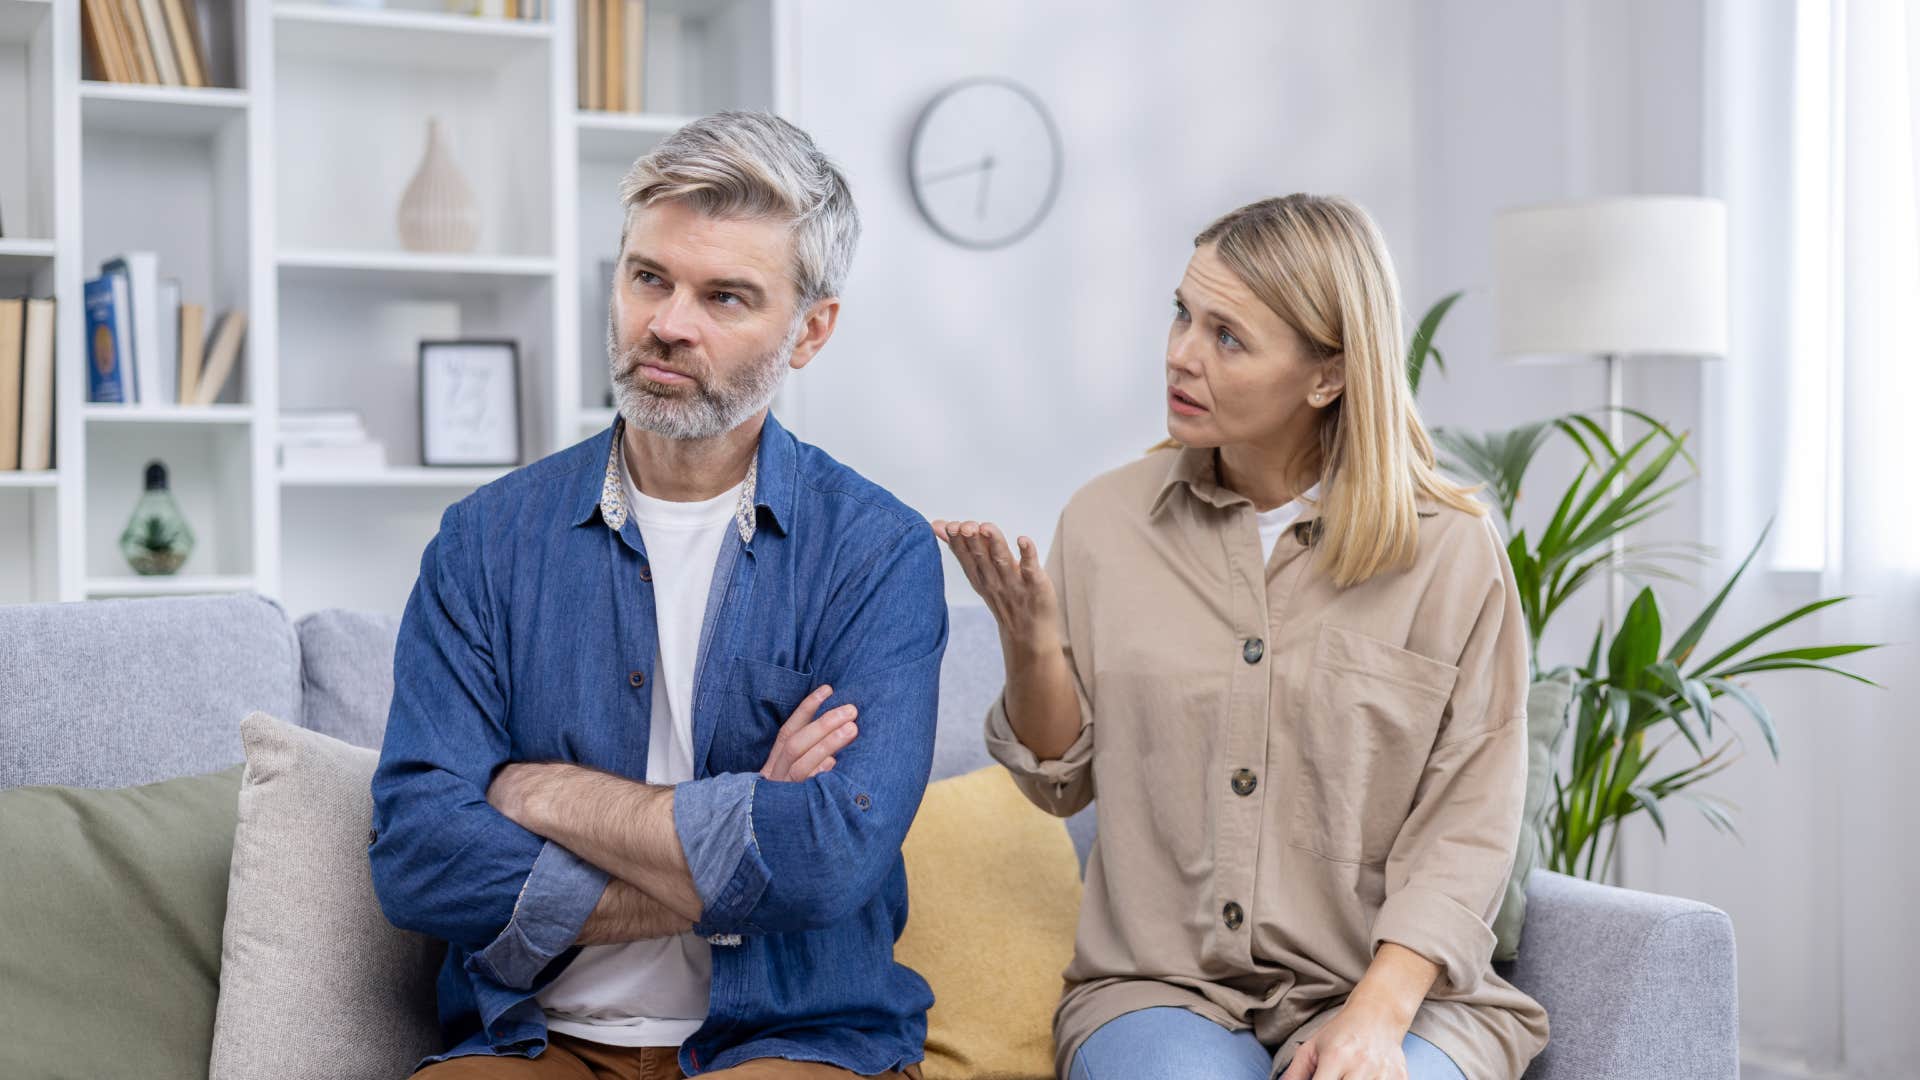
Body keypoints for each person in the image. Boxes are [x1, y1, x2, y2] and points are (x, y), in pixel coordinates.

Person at [369, 111, 944, 1079]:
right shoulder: (483, 543)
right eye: (649, 279)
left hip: (795, 1042)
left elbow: (828, 859)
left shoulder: (877, 554)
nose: (668, 323)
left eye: (725, 297)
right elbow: (420, 853)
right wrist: (742, 825)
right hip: (535, 1040)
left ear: (811, 332)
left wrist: (542, 793)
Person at [934, 194, 1550, 1080]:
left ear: (1327, 375)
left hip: (1396, 996)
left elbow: (1468, 821)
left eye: (1228, 337)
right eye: (1184, 314)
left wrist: (1374, 1020)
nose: (1181, 353)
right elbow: (1058, 787)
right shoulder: (1106, 523)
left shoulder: (1451, 552)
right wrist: (1030, 642)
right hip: (1161, 991)